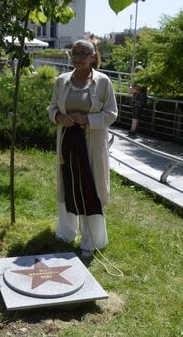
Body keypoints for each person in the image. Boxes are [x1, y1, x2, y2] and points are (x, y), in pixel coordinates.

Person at [48, 39, 118, 256]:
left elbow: (111, 113)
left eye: (82, 53)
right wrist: (59, 117)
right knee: (68, 183)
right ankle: (67, 233)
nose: (77, 58)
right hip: (68, 140)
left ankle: (92, 239)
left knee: (91, 186)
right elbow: (51, 108)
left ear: (92, 56)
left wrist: (88, 119)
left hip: (92, 143)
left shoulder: (103, 82)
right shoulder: (61, 81)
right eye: (74, 53)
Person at [128, 65, 147, 137]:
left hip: (140, 101)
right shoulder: (137, 80)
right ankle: (132, 130)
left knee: (136, 115)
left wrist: (132, 88)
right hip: (136, 100)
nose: (135, 73)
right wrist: (132, 89)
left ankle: (133, 130)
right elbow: (131, 90)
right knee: (135, 115)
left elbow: (134, 89)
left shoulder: (143, 80)